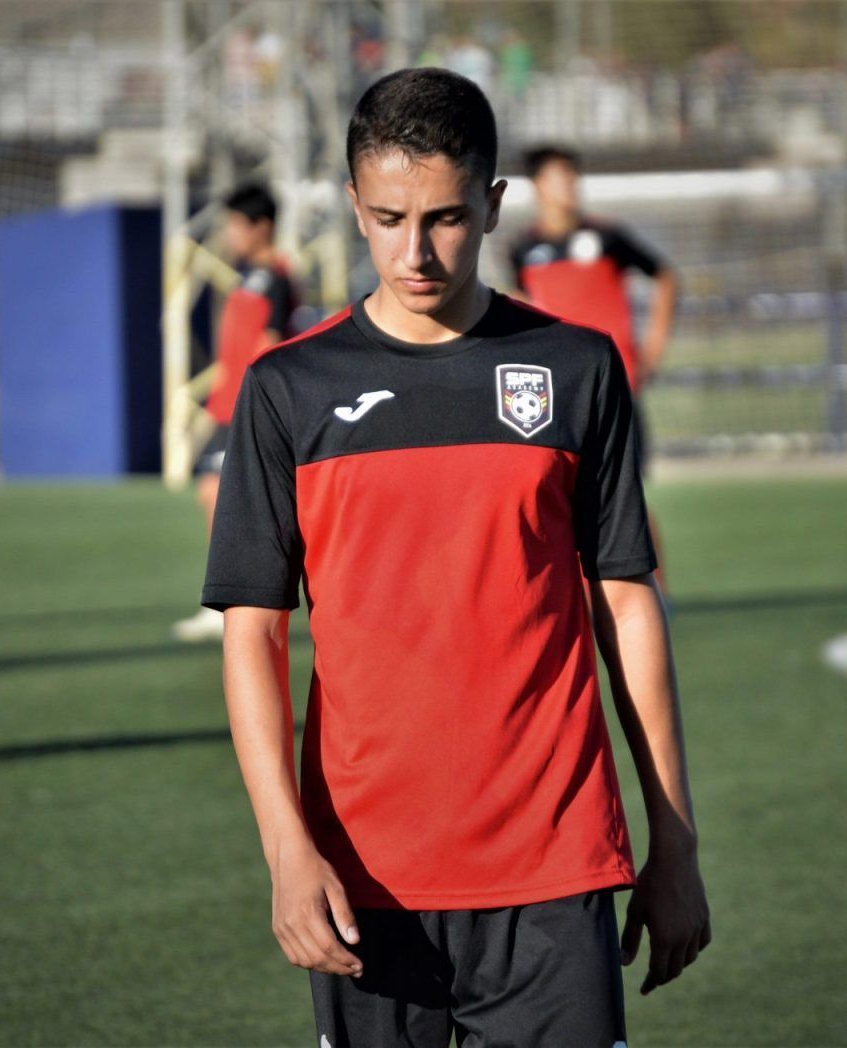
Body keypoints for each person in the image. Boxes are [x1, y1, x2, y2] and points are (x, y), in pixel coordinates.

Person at [202, 68, 709, 1046]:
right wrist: (284, 846)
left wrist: (675, 843)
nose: (416, 250)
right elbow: (255, 634)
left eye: (444, 217)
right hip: (366, 878)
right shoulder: (288, 391)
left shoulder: (576, 368)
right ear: (353, 205)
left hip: (555, 871)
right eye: (388, 217)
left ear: (493, 203)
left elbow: (628, 609)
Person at [509, 145, 678, 588]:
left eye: (572, 177)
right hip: (558, 387)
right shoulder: (524, 249)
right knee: (558, 491)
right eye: (558, 178)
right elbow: (524, 305)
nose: (568, 187)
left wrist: (654, 344)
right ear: (538, 186)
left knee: (625, 492)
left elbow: (664, 275)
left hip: (615, 381)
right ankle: (576, 588)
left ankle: (653, 586)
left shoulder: (608, 238)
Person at [173, 183, 300, 642]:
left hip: (246, 410)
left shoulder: (277, 277)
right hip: (226, 407)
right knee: (213, 495)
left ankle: (229, 602)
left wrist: (256, 403)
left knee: (217, 495)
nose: (229, 234)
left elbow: (271, 344)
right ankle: (233, 600)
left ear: (261, 226)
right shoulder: (248, 276)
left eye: (234, 224)